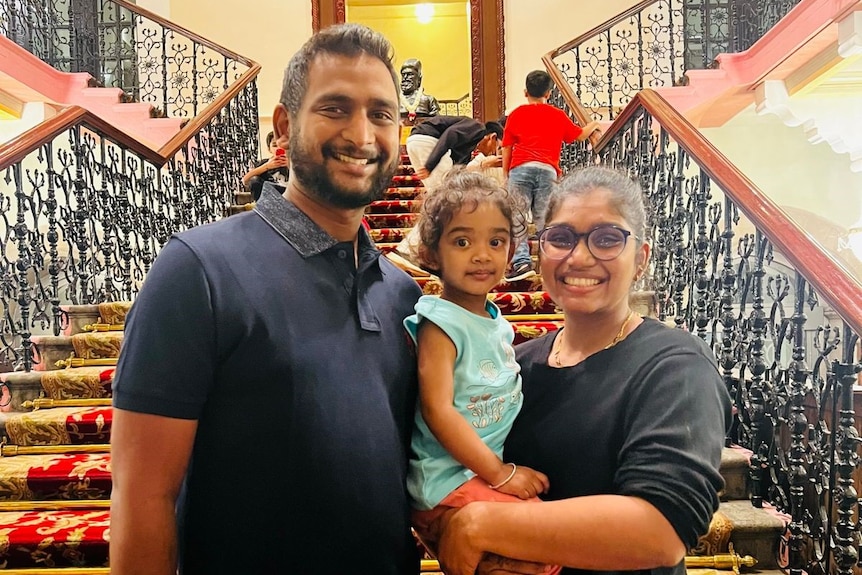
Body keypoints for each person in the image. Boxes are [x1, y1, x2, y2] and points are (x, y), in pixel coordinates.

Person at [110, 23, 422, 575]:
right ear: (284, 125)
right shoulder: (199, 271)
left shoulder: (403, 296)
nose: (362, 134)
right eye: (334, 108)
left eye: (381, 113)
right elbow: (143, 497)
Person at [434, 166, 732, 575]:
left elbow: (663, 529)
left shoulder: (674, 364)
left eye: (608, 238)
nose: (580, 256)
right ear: (540, 251)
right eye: (560, 238)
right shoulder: (514, 366)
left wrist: (478, 526)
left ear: (640, 259)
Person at [402, 168, 558, 575]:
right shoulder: (439, 323)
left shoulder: (494, 321)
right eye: (462, 241)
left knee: (549, 548)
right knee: (549, 545)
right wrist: (501, 475)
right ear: (433, 252)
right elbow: (439, 411)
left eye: (496, 241)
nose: (481, 254)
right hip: (445, 482)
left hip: (473, 476)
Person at [502, 70, 601, 282]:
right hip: (548, 169)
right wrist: (592, 125)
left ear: (525, 91)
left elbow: (507, 147)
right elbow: (578, 135)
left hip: (520, 168)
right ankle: (550, 262)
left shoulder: (516, 114)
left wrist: (505, 172)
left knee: (518, 216)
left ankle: (521, 262)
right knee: (545, 219)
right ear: (548, 93)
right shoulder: (557, 115)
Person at [241, 130, 289, 200]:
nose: (279, 148)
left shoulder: (296, 163)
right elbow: (245, 180)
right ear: (269, 149)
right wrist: (267, 166)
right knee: (254, 180)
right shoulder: (265, 163)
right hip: (269, 198)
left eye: (282, 144)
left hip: (289, 196)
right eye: (275, 145)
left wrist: (290, 165)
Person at [400, 58, 440, 123]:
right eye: (403, 75)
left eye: (410, 74)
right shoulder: (395, 101)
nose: (405, 77)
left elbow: (437, 122)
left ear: (419, 78)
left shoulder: (429, 100)